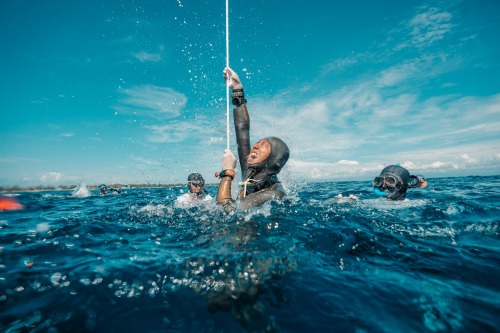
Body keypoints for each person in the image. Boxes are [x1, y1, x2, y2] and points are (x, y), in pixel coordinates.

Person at [216, 67, 290, 213]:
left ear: (273, 160)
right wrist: (237, 90)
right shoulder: (252, 173)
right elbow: (242, 131)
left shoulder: (274, 193)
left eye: (263, 146)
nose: (255, 146)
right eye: (257, 143)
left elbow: (227, 210)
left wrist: (228, 172)